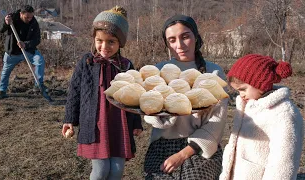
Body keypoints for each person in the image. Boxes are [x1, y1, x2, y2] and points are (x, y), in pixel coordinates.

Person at [62, 6, 143, 180]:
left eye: (111, 41)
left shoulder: (126, 66)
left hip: (120, 124)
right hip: (95, 124)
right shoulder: (87, 62)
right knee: (100, 172)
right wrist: (69, 119)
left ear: (120, 43)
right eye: (99, 40)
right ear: (94, 39)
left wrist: (137, 122)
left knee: (116, 170)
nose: (104, 46)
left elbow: (135, 97)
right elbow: (74, 92)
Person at [143, 14, 228, 179]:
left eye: (185, 37)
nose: (179, 45)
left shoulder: (214, 73)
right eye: (172, 40)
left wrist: (183, 154)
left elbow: (216, 122)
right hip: (161, 146)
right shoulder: (158, 71)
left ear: (195, 37)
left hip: (200, 147)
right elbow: (149, 112)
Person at [219, 54, 304, 180]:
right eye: (238, 91)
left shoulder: (283, 114)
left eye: (243, 89)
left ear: (261, 84)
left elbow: (283, 163)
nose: (241, 95)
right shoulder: (249, 105)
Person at [0, 5, 47, 99]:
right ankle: (2, 91)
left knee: (39, 61)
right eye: (27, 17)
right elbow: (0, 30)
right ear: (20, 14)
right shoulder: (11, 18)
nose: (29, 19)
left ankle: (38, 85)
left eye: (31, 17)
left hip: (28, 50)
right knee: (6, 71)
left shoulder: (34, 22)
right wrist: (6, 23)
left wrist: (26, 44)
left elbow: (37, 39)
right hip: (12, 52)